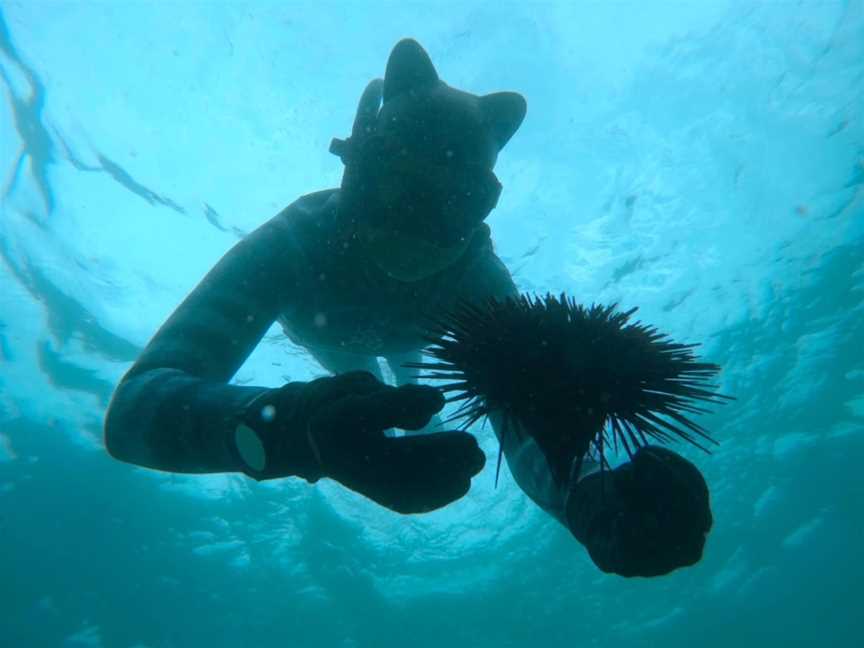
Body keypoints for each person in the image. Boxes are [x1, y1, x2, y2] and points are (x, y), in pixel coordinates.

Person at [105, 39, 709, 576]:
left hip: (346, 334)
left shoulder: (465, 279)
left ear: (482, 207)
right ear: (354, 170)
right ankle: (388, 392)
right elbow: (130, 415)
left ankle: (392, 391)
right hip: (375, 338)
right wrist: (294, 430)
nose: (417, 225)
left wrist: (592, 494)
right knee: (373, 383)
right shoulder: (300, 241)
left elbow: (531, 415)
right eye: (397, 185)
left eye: (455, 201)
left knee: (389, 380)